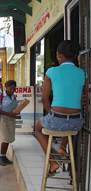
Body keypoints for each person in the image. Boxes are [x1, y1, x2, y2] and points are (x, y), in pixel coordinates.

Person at [35, 40, 86, 176]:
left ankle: (53, 162)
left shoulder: (52, 71)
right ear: (75, 55)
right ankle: (62, 147)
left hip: (57, 120)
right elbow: (81, 101)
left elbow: (44, 99)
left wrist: (51, 112)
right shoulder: (82, 73)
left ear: (59, 56)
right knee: (68, 124)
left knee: (38, 128)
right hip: (76, 122)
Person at [0, 80, 18, 166]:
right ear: (6, 87)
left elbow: (16, 107)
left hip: (11, 119)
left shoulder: (13, 97)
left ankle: (4, 156)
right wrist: (8, 113)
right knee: (5, 139)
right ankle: (1, 157)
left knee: (9, 138)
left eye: (14, 88)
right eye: (10, 88)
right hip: (3, 119)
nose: (12, 90)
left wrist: (17, 111)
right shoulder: (0, 96)